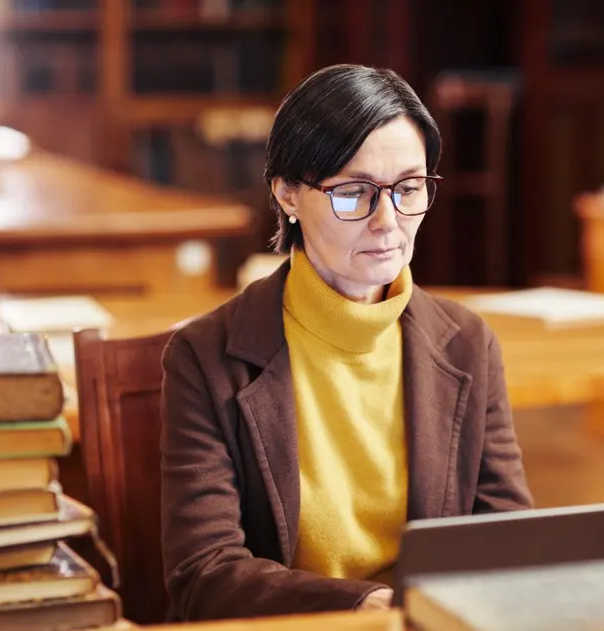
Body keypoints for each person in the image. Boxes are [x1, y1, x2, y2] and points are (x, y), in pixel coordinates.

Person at [159, 63, 533, 622]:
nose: (388, 221)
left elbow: (508, 540)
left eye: (408, 188)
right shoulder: (206, 356)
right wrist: (365, 603)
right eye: (355, 192)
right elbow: (204, 573)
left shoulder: (467, 345)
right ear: (287, 194)